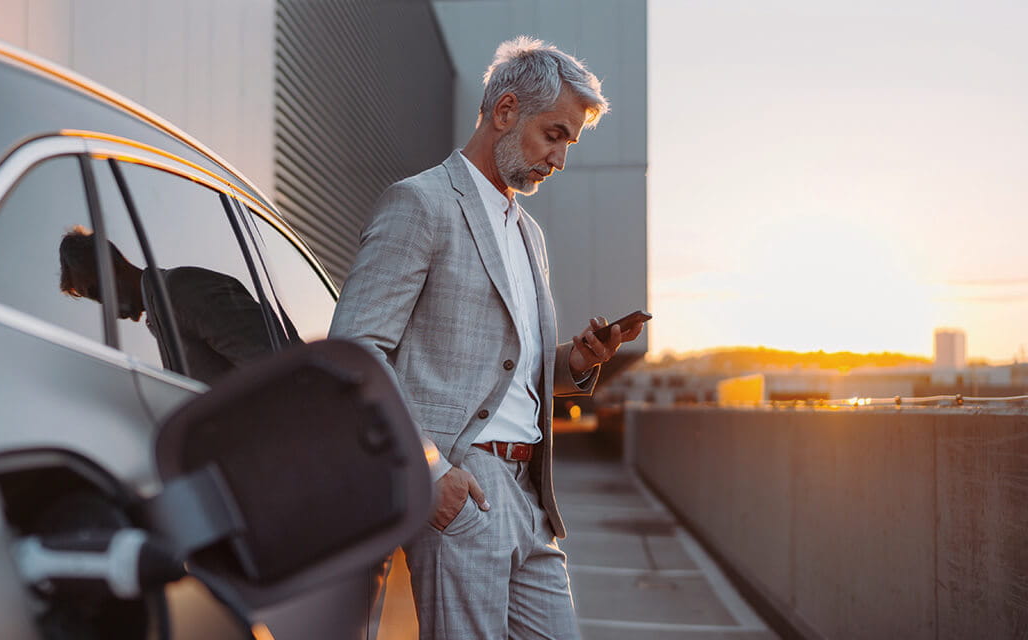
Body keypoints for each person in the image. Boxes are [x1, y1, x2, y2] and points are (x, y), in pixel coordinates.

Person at [329, 36, 644, 639]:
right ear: (504, 112)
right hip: (462, 488)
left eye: (569, 144)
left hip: (532, 499)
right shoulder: (420, 204)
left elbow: (506, 368)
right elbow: (354, 354)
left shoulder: (530, 236)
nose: (560, 159)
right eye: (554, 136)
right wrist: (429, 470)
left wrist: (576, 360)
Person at [58, 226, 291, 383]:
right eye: (97, 300)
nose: (108, 309)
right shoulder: (161, 315)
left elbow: (276, 371)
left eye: (98, 291)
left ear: (112, 263)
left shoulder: (180, 290)